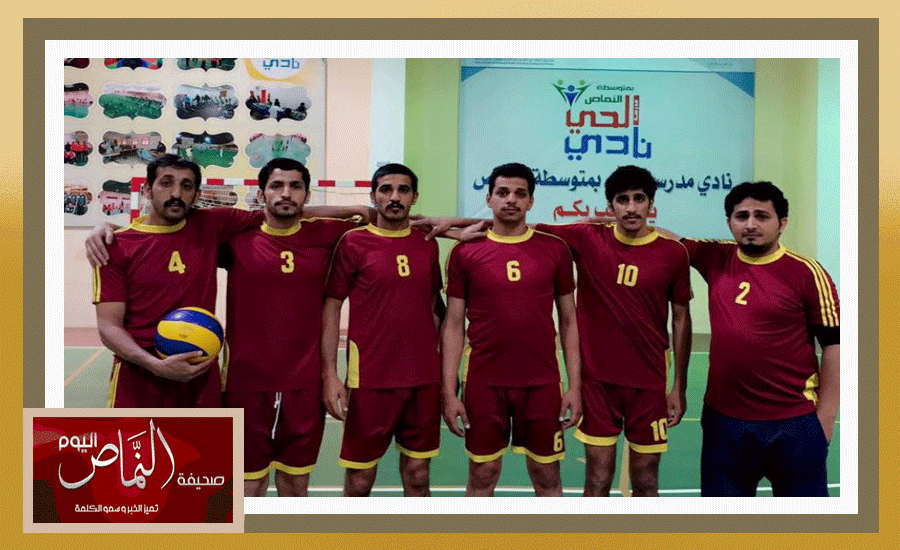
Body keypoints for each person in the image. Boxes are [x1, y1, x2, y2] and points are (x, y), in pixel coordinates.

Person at [531, 165, 694, 497]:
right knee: (598, 477)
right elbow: (516, 226)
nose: (631, 208)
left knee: (646, 479)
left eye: (639, 199)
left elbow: (681, 320)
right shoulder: (588, 238)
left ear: (651, 204)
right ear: (610, 205)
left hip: (649, 384)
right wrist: (449, 224)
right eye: (622, 199)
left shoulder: (673, 253)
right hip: (598, 383)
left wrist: (679, 386)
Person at [673, 181, 839, 496]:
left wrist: (825, 420)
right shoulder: (714, 256)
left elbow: (835, 345)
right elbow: (661, 238)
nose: (750, 224)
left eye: (762, 216)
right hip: (725, 424)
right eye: (742, 216)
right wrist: (607, 221)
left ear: (782, 223)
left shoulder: (807, 272)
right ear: (729, 222)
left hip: (794, 424)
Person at [221, 158, 362, 497]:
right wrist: (101, 229)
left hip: (305, 383)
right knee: (249, 484)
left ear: (307, 194)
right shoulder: (235, 237)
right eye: (276, 186)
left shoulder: (325, 234)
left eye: (295, 187)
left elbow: (373, 218)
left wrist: (322, 212)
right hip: (245, 382)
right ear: (260, 194)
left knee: (296, 484)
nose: (286, 193)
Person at [442, 162, 581, 497]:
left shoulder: (554, 249)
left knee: (547, 476)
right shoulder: (465, 252)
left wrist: (575, 386)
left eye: (520, 194)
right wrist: (449, 391)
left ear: (531, 201)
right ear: (489, 198)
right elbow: (453, 325)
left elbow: (569, 321)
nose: (511, 200)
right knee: (483, 474)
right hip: (484, 383)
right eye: (502, 192)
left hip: (542, 383)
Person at [90, 155, 264, 407]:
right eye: (166, 183)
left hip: (200, 374)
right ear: (147, 190)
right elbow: (109, 327)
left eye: (186, 185)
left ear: (196, 195)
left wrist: (332, 216)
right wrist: (156, 365)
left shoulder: (210, 224)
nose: (176, 193)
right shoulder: (114, 246)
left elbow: (283, 214)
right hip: (140, 378)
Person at [321, 163, 445, 497]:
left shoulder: (427, 244)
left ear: (414, 197)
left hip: (423, 379)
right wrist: (330, 373)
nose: (394, 197)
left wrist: (444, 373)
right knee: (360, 479)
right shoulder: (353, 242)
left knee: (418, 475)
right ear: (373, 196)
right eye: (386, 189)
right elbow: (332, 306)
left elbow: (435, 307)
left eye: (403, 190)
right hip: (370, 380)